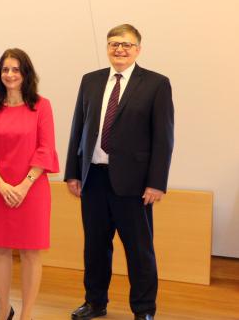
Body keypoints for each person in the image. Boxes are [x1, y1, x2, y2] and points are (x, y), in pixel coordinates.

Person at [65, 24, 173, 320]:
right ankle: (95, 303)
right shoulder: (90, 81)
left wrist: (156, 183)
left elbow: (164, 138)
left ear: (138, 49)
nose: (119, 49)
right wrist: (73, 172)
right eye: (114, 44)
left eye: (126, 44)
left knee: (139, 251)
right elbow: (79, 129)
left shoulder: (156, 83)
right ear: (107, 47)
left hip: (135, 185)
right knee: (95, 247)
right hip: (94, 179)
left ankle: (144, 310)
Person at [0, 48, 58, 320]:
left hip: (32, 189)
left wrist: (23, 185)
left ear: (26, 74)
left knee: (31, 252)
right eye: (5, 69)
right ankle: (3, 310)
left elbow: (46, 149)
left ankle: (27, 314)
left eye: (15, 69)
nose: (10, 74)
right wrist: (0, 183)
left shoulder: (41, 106)